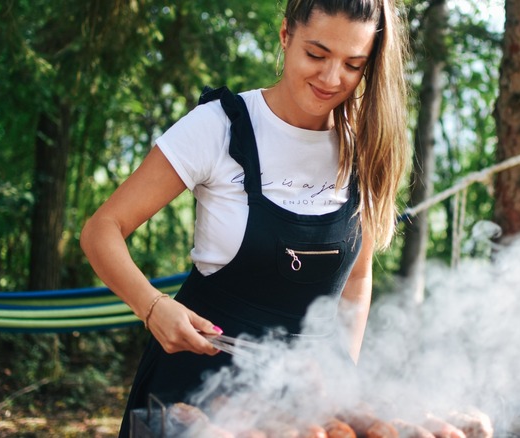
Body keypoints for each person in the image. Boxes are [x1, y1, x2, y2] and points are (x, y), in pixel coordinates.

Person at [80, 0, 410, 435]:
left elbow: (356, 278)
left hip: (304, 407)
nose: (332, 79)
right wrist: (153, 307)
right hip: (195, 393)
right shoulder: (218, 127)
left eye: (353, 64)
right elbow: (102, 229)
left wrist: (341, 375)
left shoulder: (366, 148)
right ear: (285, 36)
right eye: (316, 54)